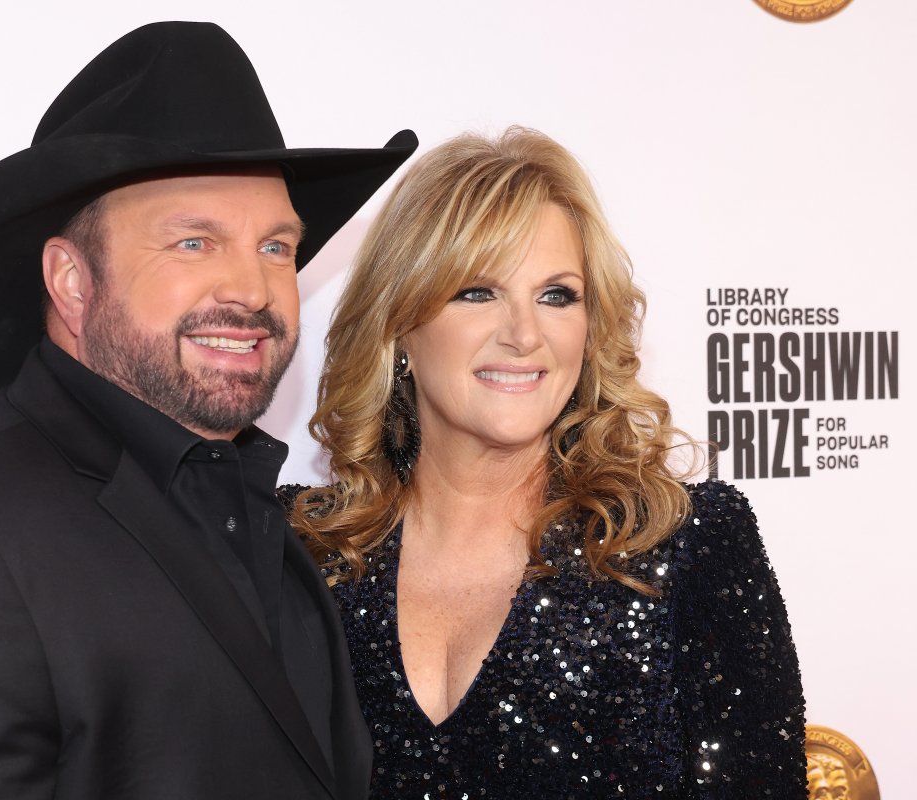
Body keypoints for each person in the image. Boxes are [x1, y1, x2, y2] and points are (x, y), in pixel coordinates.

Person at [0, 21, 416, 800]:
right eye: (194, 243)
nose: (254, 289)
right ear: (71, 281)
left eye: (276, 246)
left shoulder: (266, 519)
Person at [288, 127, 807, 798]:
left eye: (557, 295)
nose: (525, 334)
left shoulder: (683, 543)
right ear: (401, 327)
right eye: (477, 292)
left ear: (590, 330)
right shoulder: (303, 552)